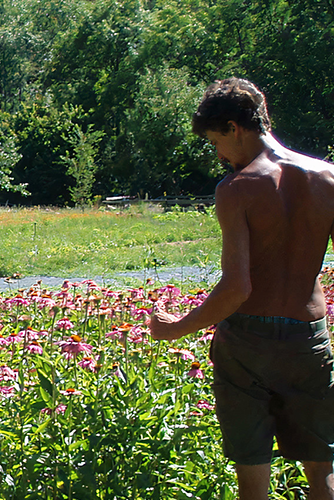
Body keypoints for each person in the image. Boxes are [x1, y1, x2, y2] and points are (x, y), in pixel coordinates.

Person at [149, 77, 334, 500]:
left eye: (216, 142)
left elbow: (237, 289)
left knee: (253, 471)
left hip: (249, 344)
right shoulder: (328, 177)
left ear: (234, 127)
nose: (219, 155)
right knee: (321, 466)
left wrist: (175, 327)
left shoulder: (237, 188)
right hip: (309, 338)